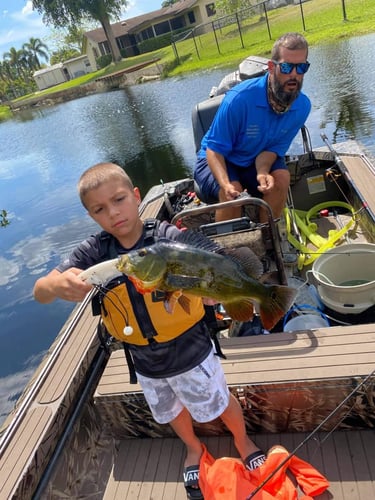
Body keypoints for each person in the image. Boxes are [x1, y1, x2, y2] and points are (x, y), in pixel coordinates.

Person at [33, 162, 266, 500]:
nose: (113, 213)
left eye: (119, 199)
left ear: (136, 196)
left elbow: (206, 259)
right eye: (100, 209)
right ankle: (192, 448)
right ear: (92, 216)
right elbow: (39, 290)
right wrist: (56, 284)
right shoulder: (94, 252)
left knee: (219, 399)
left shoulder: (168, 239)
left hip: (192, 350)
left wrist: (215, 292)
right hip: (144, 361)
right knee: (170, 410)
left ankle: (243, 441)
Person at [194, 32, 311, 222]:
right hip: (218, 158)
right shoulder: (239, 99)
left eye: (302, 68)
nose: (294, 75)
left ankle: (267, 236)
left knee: (280, 178)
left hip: (254, 158)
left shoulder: (302, 107)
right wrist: (226, 185)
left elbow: (272, 150)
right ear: (272, 67)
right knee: (233, 195)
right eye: (288, 67)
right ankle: (229, 249)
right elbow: (214, 150)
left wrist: (263, 172)